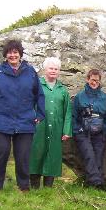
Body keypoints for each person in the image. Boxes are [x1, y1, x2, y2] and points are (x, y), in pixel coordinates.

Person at [0, 39, 45, 192]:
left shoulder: (30, 72)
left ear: (20, 54)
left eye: (15, 52)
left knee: (23, 155)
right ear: (5, 55)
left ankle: (23, 186)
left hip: (25, 120)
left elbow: (39, 95)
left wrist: (40, 114)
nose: (12, 55)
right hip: (0, 119)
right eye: (9, 52)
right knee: (1, 152)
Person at [29, 57, 72, 188]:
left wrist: (66, 130)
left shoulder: (63, 90)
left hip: (56, 128)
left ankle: (48, 188)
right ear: (45, 69)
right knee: (36, 153)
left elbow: (68, 112)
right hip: (38, 127)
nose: (53, 71)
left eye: (56, 69)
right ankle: (34, 186)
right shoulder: (36, 85)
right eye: (51, 68)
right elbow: (28, 104)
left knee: (52, 155)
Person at [72, 69, 106, 189]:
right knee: (89, 155)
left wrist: (104, 131)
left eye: (97, 81)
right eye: (92, 80)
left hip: (99, 132)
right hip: (83, 132)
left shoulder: (105, 98)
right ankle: (97, 183)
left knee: (98, 156)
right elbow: (74, 116)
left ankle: (93, 183)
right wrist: (77, 130)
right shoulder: (79, 96)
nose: (94, 83)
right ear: (87, 79)